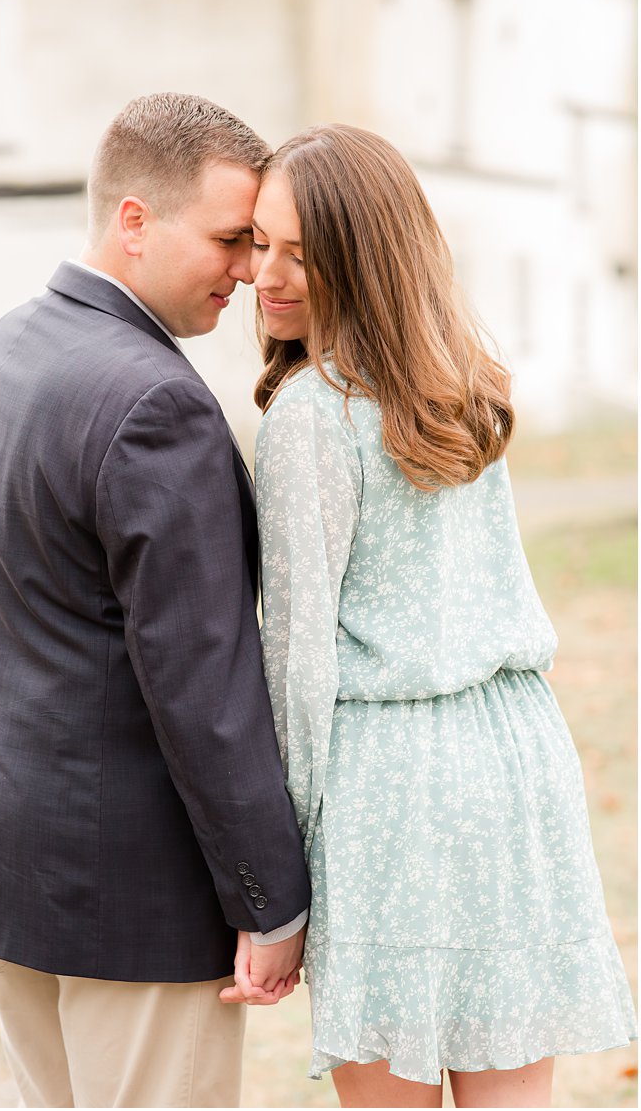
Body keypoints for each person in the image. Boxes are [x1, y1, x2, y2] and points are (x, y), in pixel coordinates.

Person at [0, 93, 311, 1108]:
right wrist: (267, 898)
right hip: (130, 886)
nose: (247, 271)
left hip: (8, 853)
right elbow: (202, 687)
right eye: (231, 239)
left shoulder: (5, 345)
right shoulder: (158, 402)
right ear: (132, 220)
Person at [249, 123, 637, 1107]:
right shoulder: (462, 385)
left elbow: (295, 664)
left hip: (393, 785)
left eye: (301, 252)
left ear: (360, 257)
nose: (268, 275)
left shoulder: (311, 412)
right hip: (515, 761)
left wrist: (273, 885)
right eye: (259, 243)